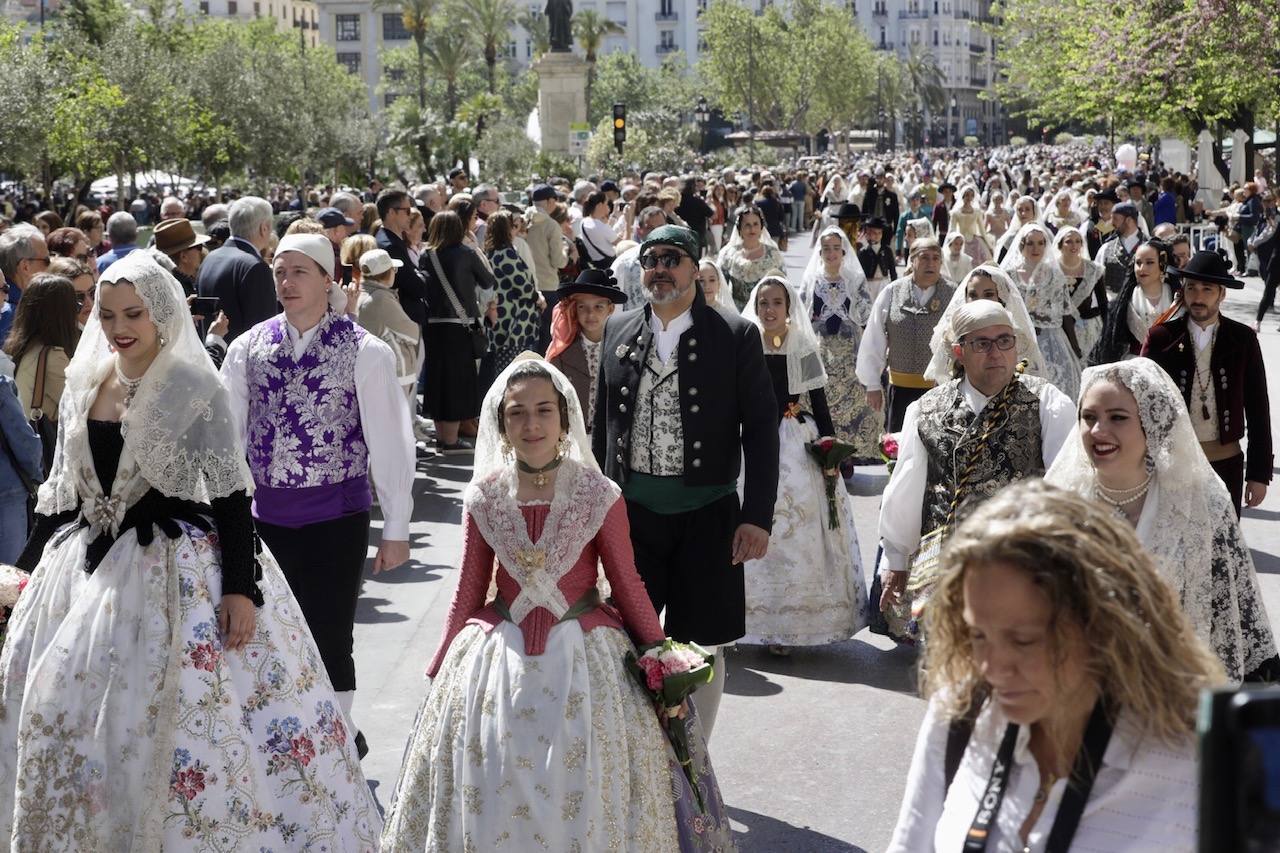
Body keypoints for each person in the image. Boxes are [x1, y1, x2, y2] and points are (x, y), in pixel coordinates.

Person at [2, 251, 381, 848]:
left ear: (161, 315)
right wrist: (20, 573)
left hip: (172, 568)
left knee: (175, 730)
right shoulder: (85, 378)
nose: (119, 327)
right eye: (105, 314)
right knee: (73, 723)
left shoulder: (192, 384)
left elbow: (232, 496)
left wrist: (239, 587)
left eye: (133, 314)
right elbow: (65, 499)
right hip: (83, 571)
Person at [379, 354, 733, 851]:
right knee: (493, 768)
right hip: (499, 655)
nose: (531, 424)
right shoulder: (484, 497)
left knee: (588, 773)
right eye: (517, 413)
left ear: (565, 418)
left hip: (586, 654)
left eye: (544, 410)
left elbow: (627, 582)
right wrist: (441, 663)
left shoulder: (598, 493)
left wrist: (659, 657)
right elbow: (469, 586)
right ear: (501, 425)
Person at [887, 480, 1227, 852]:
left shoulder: (1194, 767)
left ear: (1102, 626)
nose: (992, 669)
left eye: (1024, 640)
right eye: (977, 635)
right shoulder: (961, 713)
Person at [221, 233, 415, 759]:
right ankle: (277, 737)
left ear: (328, 279)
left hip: (337, 517)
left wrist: (395, 527)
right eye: (279, 272)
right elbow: (228, 438)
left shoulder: (364, 351)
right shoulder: (248, 347)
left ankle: (335, 739)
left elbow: (391, 442)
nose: (286, 282)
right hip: (265, 521)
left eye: (299, 272)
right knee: (267, 633)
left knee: (330, 632)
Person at [593, 224, 778, 739]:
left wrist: (757, 516)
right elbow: (601, 426)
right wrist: (592, 510)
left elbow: (762, 430)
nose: (660, 268)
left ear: (696, 268)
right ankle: (642, 757)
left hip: (709, 512)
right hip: (633, 516)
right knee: (631, 639)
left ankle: (696, 756)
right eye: (651, 259)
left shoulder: (735, 333)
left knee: (702, 644)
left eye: (672, 258)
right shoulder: (618, 328)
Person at [1046, 358, 1278, 682]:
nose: (1099, 431)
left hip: (1169, 697)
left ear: (1152, 423)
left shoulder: (1203, 507)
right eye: (1089, 417)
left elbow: (1232, 611)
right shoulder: (1059, 506)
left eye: (1118, 418)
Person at [878, 300, 1075, 639]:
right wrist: (895, 560)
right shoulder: (925, 409)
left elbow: (1067, 489)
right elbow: (908, 487)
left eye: (1005, 341)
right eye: (982, 344)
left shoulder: (1047, 403)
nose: (995, 352)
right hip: (947, 566)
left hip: (1020, 564)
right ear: (959, 351)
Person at [739, 276, 868, 653]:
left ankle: (792, 623)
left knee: (797, 531)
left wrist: (831, 449)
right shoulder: (746, 343)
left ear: (789, 306)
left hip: (793, 439)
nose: (769, 310)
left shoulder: (803, 347)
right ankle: (751, 618)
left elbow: (820, 402)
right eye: (763, 303)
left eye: (776, 302)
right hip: (751, 440)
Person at [1140, 250, 1271, 516]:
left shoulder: (1242, 339)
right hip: (1172, 464)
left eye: (1207, 289)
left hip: (1226, 464)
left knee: (1223, 548)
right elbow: (1140, 404)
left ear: (1222, 294)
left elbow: (1258, 410)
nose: (1198, 297)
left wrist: (1258, 474)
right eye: (1192, 288)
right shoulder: (1161, 337)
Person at [418, 210, 498, 454]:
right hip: (461, 325)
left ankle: (442, 437)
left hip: (432, 325)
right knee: (457, 381)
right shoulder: (466, 253)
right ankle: (451, 441)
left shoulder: (425, 255)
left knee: (437, 379)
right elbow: (488, 281)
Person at [856, 238, 955, 433]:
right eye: (924, 257)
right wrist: (873, 384)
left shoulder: (953, 294)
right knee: (898, 449)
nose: (931, 263)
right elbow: (874, 338)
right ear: (912, 261)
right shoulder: (892, 292)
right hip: (901, 389)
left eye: (936, 258)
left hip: (941, 390)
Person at [801, 225, 880, 463]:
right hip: (820, 349)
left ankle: (847, 456)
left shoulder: (855, 279)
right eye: (826, 248)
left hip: (850, 351)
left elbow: (867, 315)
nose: (831, 253)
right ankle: (824, 452)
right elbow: (802, 314)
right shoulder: (812, 280)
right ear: (820, 251)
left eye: (836, 248)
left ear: (844, 251)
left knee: (851, 402)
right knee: (821, 400)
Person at [921, 265, 1047, 387]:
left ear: (1001, 297)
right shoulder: (951, 335)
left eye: (988, 294)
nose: (980, 300)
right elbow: (941, 381)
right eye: (973, 295)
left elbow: (1030, 380)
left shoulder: (1018, 338)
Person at [1001, 222, 1082, 400]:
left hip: (1050, 339)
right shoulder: (1009, 275)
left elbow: (1064, 312)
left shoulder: (1054, 275)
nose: (1035, 248)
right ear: (1022, 245)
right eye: (1030, 243)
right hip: (1018, 339)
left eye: (1040, 243)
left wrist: (1075, 347)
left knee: (1053, 388)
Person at [546, 268, 625, 430]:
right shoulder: (562, 353)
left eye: (598, 307)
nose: (590, 314)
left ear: (610, 309)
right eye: (583, 307)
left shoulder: (622, 349)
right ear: (574, 308)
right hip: (573, 436)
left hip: (608, 435)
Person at [195, 196, 277, 341]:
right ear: (264, 228)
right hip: (241, 360)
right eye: (270, 226)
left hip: (214, 356)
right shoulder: (255, 267)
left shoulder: (210, 258)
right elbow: (265, 332)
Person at [354, 248, 422, 412]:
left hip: (378, 372)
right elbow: (411, 333)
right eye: (393, 269)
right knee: (396, 425)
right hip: (393, 373)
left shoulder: (365, 294)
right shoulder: (381, 299)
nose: (395, 272)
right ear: (386, 273)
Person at [5, 273, 77, 425]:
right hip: (46, 443)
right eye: (75, 305)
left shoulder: (17, 347)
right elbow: (77, 407)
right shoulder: (53, 357)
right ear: (63, 314)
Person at [1095, 238, 1177, 363]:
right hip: (1135, 363)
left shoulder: (1175, 296)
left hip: (1171, 362)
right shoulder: (1126, 299)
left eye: (1149, 262)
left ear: (1162, 264)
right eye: (1138, 263)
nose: (1142, 268)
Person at [484, 209, 541, 375]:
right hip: (514, 325)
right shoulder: (506, 253)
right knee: (513, 374)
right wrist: (538, 298)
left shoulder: (492, 252)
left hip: (504, 323)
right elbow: (522, 286)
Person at [0, 358, 41, 563]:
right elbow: (25, 442)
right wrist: (35, 476)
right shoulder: (1, 386)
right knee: (9, 578)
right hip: (6, 492)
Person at [1054, 224, 1107, 363]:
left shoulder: (1093, 269)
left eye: (1078, 241)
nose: (1074, 245)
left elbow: (1103, 302)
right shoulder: (1051, 270)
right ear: (1060, 245)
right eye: (1069, 241)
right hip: (1060, 329)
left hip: (1087, 327)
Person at [717, 206, 785, 309]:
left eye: (755, 224)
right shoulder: (728, 254)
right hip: (737, 313)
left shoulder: (773, 254)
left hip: (766, 312)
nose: (752, 229)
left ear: (761, 227)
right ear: (740, 228)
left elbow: (782, 287)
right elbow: (720, 286)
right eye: (747, 225)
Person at [1094, 199, 1143, 293]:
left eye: (1115, 219)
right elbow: (1097, 280)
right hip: (1112, 304)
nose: (1112, 224)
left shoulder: (1149, 246)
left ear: (1129, 220)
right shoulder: (1106, 248)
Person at [857, 216, 898, 300]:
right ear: (868, 233)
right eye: (874, 233)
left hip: (883, 283)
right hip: (869, 285)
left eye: (880, 233)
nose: (877, 236)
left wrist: (895, 284)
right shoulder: (863, 251)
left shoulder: (887, 250)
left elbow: (892, 269)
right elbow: (859, 272)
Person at [949, 185, 992, 264]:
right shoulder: (956, 213)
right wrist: (951, 242)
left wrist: (989, 245)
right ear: (963, 196)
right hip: (962, 241)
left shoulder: (977, 212)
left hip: (974, 240)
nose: (969, 198)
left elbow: (982, 230)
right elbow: (952, 229)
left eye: (971, 195)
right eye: (967, 195)